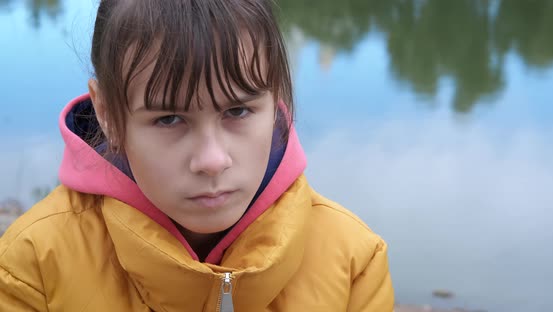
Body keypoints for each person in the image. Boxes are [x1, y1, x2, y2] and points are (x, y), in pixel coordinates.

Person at [0, 0, 394, 310]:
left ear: (275, 97)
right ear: (107, 115)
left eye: (237, 111)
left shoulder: (353, 263)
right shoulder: (33, 264)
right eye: (169, 119)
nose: (211, 160)